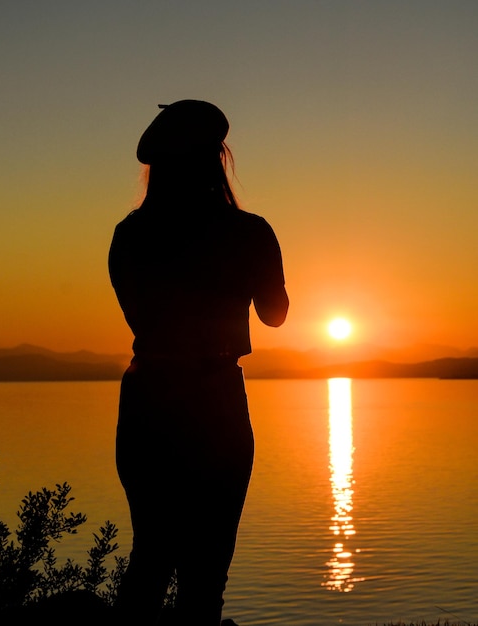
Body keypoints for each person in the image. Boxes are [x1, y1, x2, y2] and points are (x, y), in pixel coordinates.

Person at [109, 99, 289, 626]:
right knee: (207, 571)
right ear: (218, 158)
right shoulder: (249, 231)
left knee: (150, 558)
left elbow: (141, 316)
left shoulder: (130, 234)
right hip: (216, 403)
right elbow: (275, 315)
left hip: (147, 397)